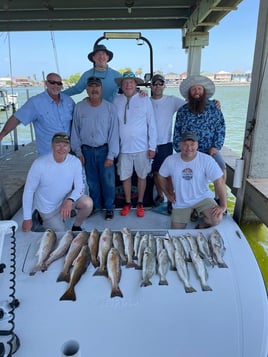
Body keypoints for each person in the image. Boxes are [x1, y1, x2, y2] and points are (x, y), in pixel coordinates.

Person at [22, 132, 93, 232]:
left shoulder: (75, 162)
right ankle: (40, 218)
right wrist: (27, 218)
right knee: (61, 233)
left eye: (65, 145)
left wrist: (70, 200)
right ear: (52, 146)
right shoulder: (39, 164)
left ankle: (76, 226)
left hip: (64, 200)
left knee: (87, 203)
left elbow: (80, 187)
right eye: (58, 145)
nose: (61, 148)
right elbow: (29, 191)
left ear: (69, 147)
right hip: (48, 208)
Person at [71, 76, 119, 221]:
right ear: (86, 89)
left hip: (104, 150)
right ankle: (96, 206)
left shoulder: (110, 108)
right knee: (92, 182)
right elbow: (75, 131)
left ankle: (109, 207)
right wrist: (78, 152)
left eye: (97, 86)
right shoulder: (79, 107)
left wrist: (111, 155)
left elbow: (114, 133)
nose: (94, 89)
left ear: (101, 89)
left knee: (108, 182)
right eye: (91, 87)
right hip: (86, 151)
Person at [173, 75, 226, 204]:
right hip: (189, 150)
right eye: (193, 89)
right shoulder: (183, 110)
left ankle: (218, 198)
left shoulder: (214, 107)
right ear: (189, 93)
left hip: (209, 149)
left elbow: (221, 128)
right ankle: (184, 200)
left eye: (199, 89)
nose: (197, 92)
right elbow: (177, 131)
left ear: (203, 91)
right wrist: (179, 149)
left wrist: (216, 146)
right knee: (185, 174)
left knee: (222, 169)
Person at [159, 131, 227, 229]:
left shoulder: (206, 160)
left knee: (216, 218)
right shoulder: (170, 160)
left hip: (202, 197)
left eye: (192, 144)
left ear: (197, 145)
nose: (189, 148)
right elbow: (161, 176)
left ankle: (202, 225)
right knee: (176, 232)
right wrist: (168, 194)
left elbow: (219, 181)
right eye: (185, 144)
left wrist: (223, 205)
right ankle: (193, 212)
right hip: (181, 201)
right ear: (180, 145)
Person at [113, 71, 157, 217]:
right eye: (125, 83)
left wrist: (152, 147)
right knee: (124, 177)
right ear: (121, 85)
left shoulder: (145, 99)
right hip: (123, 149)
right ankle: (127, 202)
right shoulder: (116, 100)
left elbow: (152, 124)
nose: (128, 85)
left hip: (142, 148)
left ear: (136, 84)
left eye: (131, 82)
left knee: (142, 176)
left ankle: (139, 203)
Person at [0, 73, 75, 156]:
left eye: (59, 83)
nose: (56, 85)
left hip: (68, 153)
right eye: (52, 82)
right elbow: (17, 119)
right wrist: (2, 135)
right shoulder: (35, 102)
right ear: (46, 83)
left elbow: (77, 121)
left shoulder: (69, 101)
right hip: (48, 154)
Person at [150, 74, 185, 213]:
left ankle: (171, 199)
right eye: (155, 84)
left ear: (164, 86)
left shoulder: (172, 100)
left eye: (160, 83)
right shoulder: (145, 101)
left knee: (167, 174)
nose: (158, 86)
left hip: (166, 143)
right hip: (149, 144)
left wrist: (213, 102)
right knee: (155, 173)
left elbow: (192, 104)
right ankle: (160, 195)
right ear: (151, 86)